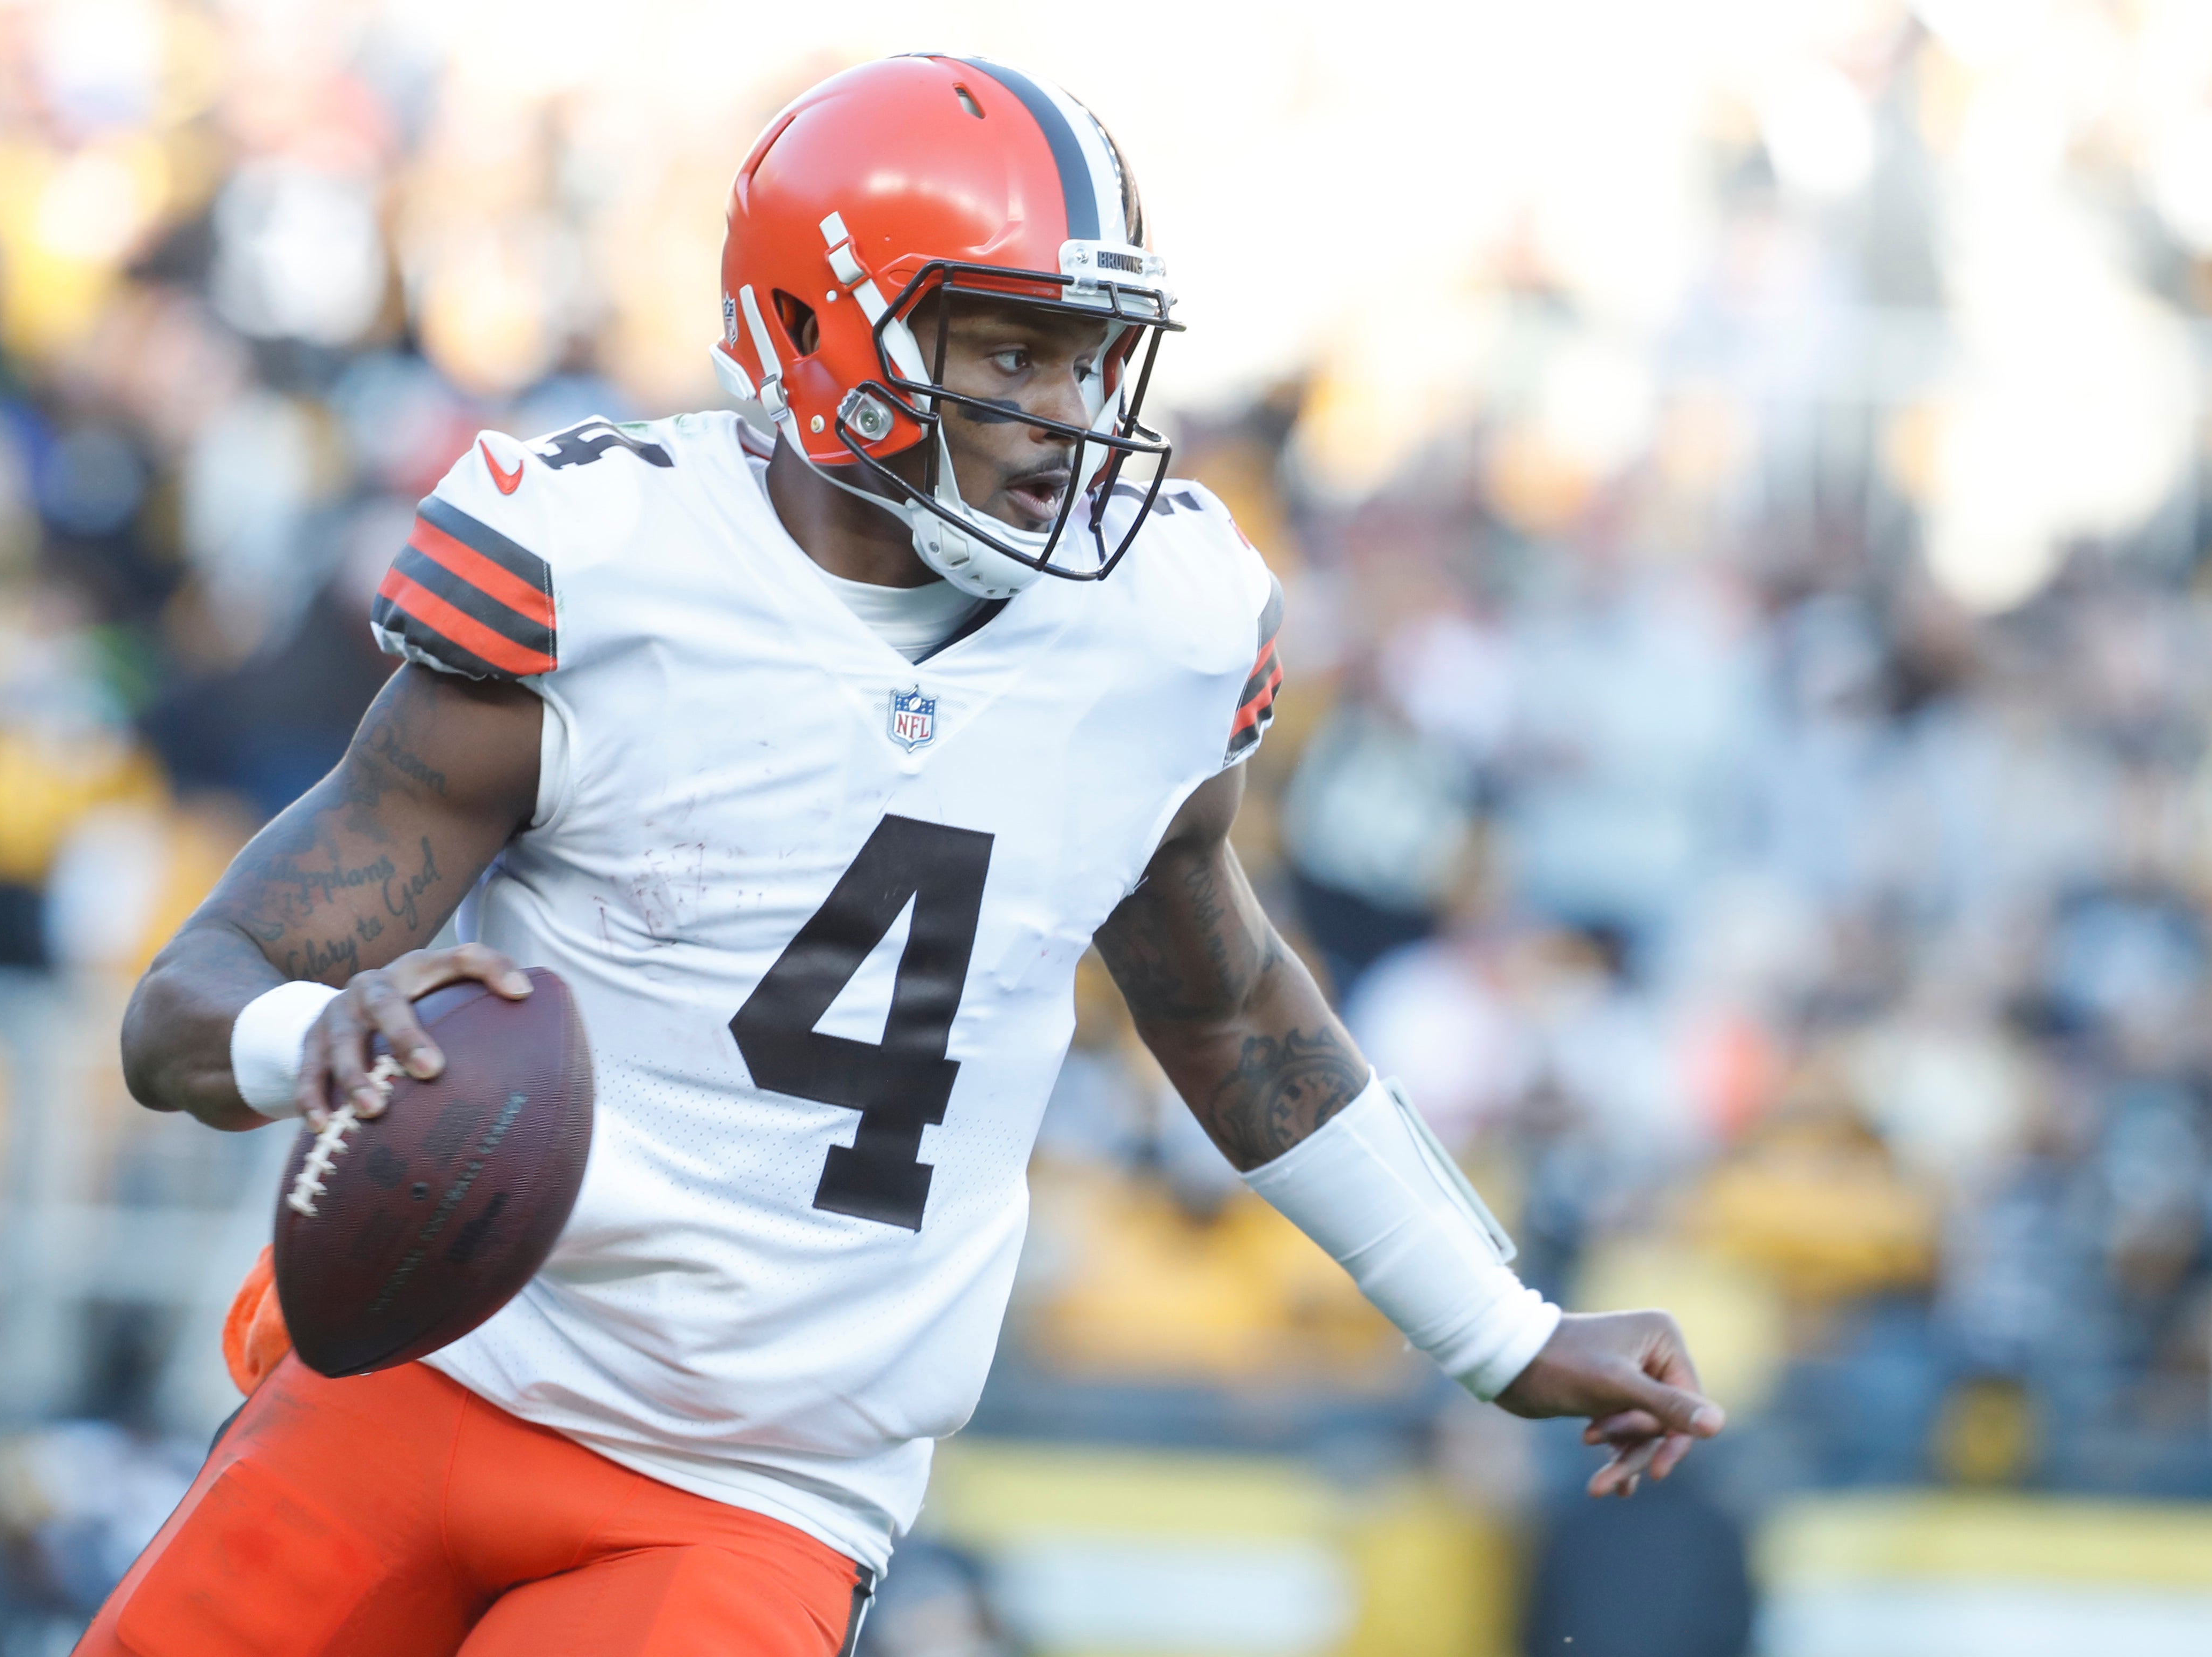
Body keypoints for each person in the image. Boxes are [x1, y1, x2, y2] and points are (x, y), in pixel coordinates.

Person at [87, 55, 1725, 1657]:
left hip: (755, 1490)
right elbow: (183, 1012)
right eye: (1015, 355)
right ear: (819, 334)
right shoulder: (604, 571)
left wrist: (1500, 1330)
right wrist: (321, 1041)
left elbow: (1230, 1012)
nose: (1067, 420)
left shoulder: (1153, 632)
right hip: (433, 1371)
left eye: (1094, 365)